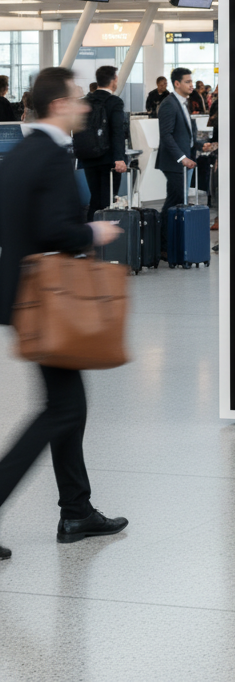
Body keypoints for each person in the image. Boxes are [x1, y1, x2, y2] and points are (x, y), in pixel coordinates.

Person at [0, 67, 127, 558]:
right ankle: (74, 509)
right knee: (63, 409)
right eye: (77, 99)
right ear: (58, 105)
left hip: (28, 297)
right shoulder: (52, 155)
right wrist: (94, 234)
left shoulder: (22, 152)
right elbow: (56, 229)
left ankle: (76, 510)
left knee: (65, 407)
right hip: (52, 301)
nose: (84, 106)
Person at [75, 65, 128, 222]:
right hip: (109, 159)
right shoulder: (114, 102)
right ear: (114, 80)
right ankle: (104, 242)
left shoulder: (84, 101)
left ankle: (90, 238)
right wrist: (119, 158)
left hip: (88, 158)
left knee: (95, 200)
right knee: (107, 202)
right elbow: (118, 131)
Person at [156, 67, 198, 260]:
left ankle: (168, 244)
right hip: (174, 163)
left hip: (183, 161)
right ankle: (163, 246)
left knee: (175, 201)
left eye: (192, 81)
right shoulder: (169, 104)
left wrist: (200, 145)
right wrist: (182, 158)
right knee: (173, 203)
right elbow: (166, 135)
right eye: (188, 82)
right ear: (177, 84)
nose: (192, 85)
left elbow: (184, 135)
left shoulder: (182, 103)